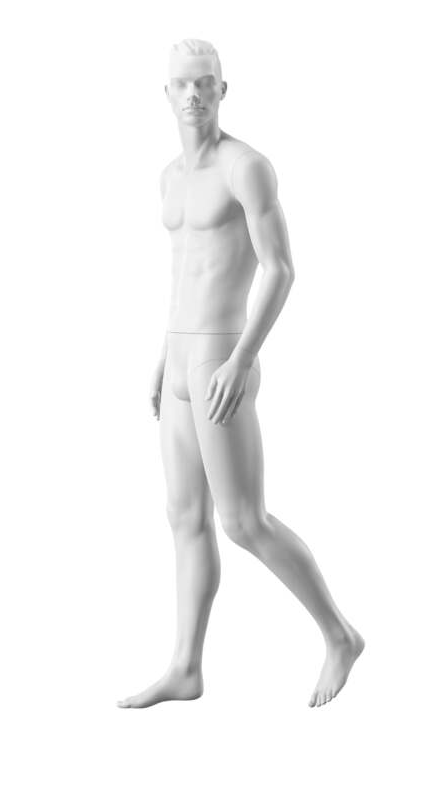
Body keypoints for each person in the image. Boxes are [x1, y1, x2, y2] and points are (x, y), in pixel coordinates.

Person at [117, 39, 364, 709]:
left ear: (223, 90)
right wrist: (164, 354)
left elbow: (280, 270)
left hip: (222, 355)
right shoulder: (168, 177)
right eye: (181, 84)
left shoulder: (246, 167)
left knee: (244, 521)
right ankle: (185, 668)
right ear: (165, 94)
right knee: (184, 517)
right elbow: (184, 272)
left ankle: (340, 634)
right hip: (180, 357)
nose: (193, 95)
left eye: (205, 83)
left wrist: (242, 358)